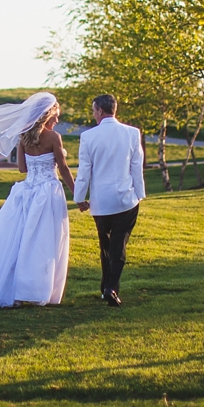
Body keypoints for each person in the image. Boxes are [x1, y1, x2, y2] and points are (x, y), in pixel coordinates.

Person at [0, 92, 75, 307]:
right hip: (48, 192)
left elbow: (22, 168)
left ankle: (9, 287)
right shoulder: (53, 138)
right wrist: (77, 194)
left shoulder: (23, 136)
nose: (57, 120)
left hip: (26, 192)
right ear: (47, 114)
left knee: (17, 239)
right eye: (56, 116)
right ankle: (36, 289)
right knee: (43, 242)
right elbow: (64, 168)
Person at [73, 93, 145, 307]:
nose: (93, 115)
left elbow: (84, 171)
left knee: (106, 245)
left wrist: (79, 198)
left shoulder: (88, 137)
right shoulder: (132, 133)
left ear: (101, 111)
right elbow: (136, 166)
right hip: (125, 200)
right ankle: (110, 287)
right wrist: (139, 194)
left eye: (94, 111)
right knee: (119, 244)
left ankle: (107, 286)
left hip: (101, 202)